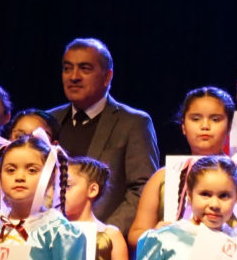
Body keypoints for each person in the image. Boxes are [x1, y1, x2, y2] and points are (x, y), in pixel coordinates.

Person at [48, 38, 159, 235]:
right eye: (67, 68)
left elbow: (143, 189)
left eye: (85, 68)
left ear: (107, 77)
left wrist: (103, 233)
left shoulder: (134, 122)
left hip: (104, 246)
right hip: (48, 239)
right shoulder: (49, 120)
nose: (73, 77)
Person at [127, 87, 235, 248]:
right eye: (196, 118)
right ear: (183, 126)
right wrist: (155, 234)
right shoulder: (163, 177)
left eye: (215, 119)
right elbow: (135, 234)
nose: (205, 126)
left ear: (229, 126)